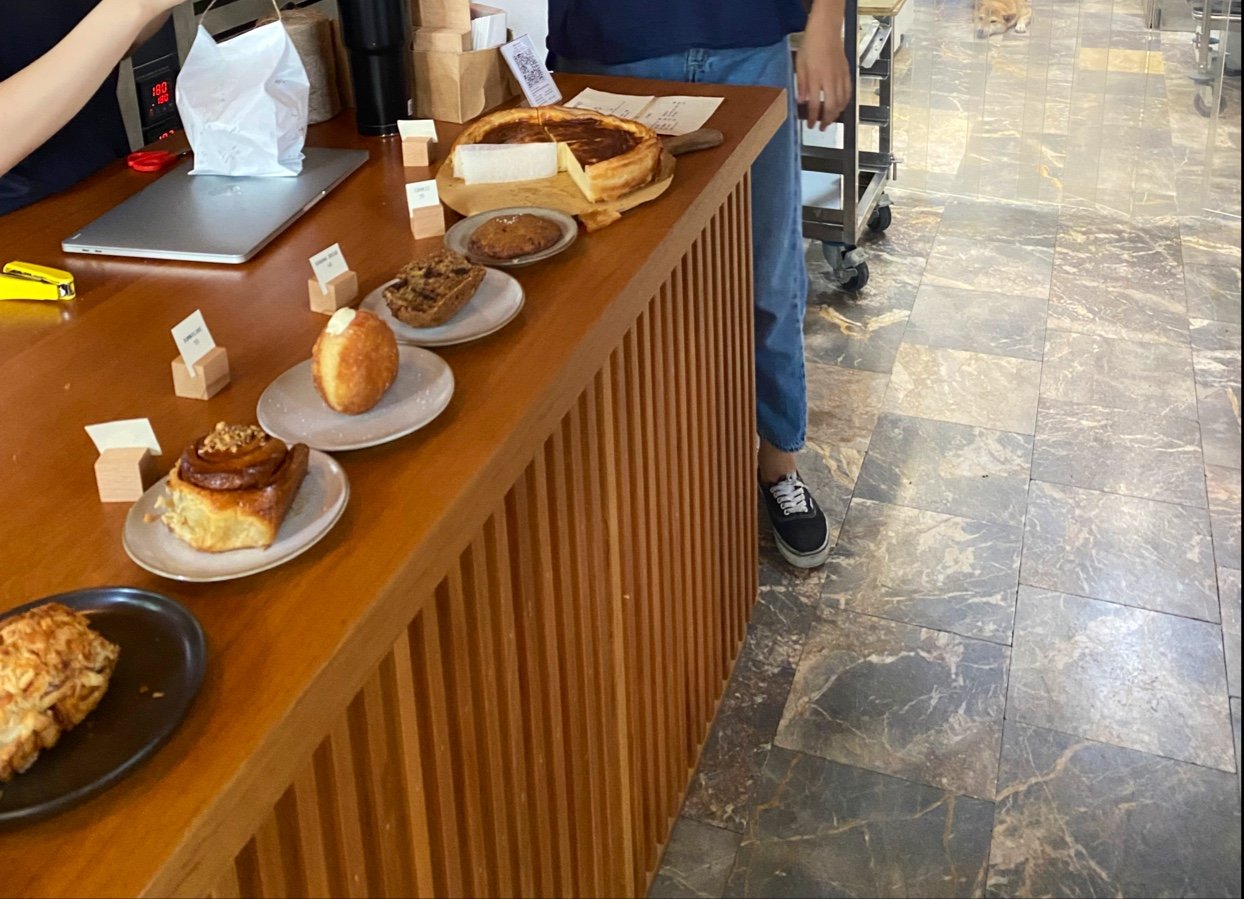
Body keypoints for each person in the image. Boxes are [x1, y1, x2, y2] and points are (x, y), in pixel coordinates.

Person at [547, 0, 852, 568]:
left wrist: (827, 22)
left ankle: (778, 460)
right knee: (616, 295)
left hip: (745, 44)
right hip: (606, 54)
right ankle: (652, 486)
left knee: (768, 273)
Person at [0, 0, 182, 214]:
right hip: (21, 223)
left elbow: (111, 41)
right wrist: (133, 5)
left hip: (104, 188)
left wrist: (152, 9)